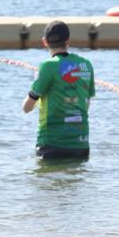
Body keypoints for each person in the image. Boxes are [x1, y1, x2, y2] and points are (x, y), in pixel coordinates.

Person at [22, 21, 95, 159]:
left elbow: (27, 107)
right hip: (81, 144)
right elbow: (86, 104)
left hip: (52, 143)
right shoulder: (86, 64)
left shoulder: (47, 66)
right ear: (68, 41)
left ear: (45, 42)